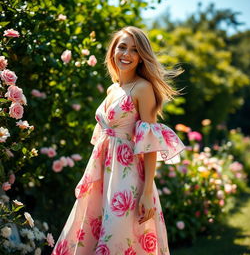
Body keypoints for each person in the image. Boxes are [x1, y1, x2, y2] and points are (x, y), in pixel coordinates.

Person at [52, 26, 185, 255]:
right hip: (103, 172)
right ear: (113, 50)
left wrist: (146, 193)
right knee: (89, 231)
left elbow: (150, 143)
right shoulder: (113, 88)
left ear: (141, 57)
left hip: (127, 177)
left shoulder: (143, 89)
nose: (126, 54)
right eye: (122, 47)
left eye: (134, 50)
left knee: (119, 237)